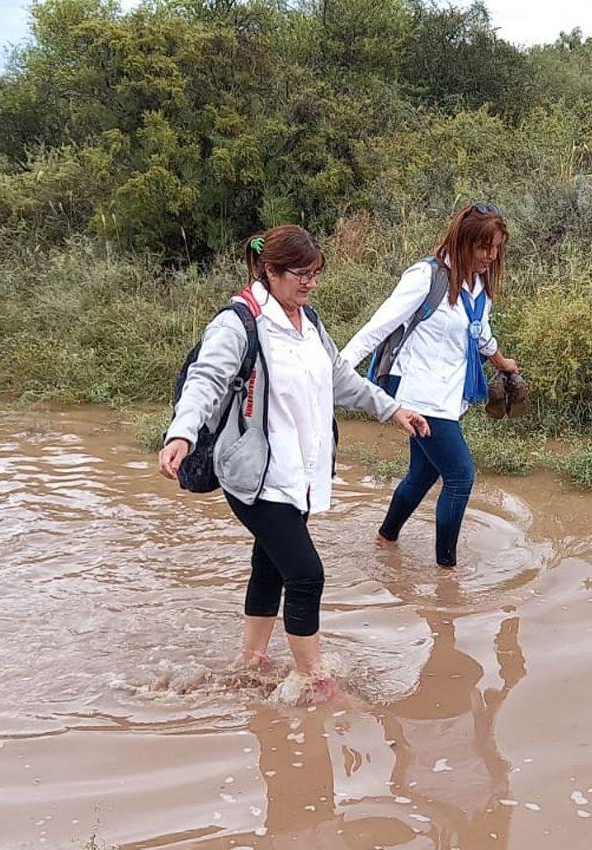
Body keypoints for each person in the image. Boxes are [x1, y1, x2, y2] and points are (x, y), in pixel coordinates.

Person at [158, 225, 428, 698]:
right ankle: (312, 678)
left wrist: (392, 409)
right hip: (255, 476)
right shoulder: (240, 322)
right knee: (306, 574)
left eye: (315, 274)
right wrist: (181, 432)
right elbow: (206, 381)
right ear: (271, 271)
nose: (309, 283)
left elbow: (340, 378)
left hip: (299, 474)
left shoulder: (309, 322)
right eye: (300, 275)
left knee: (271, 564)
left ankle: (250, 660)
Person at [341, 204, 521, 568]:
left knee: (423, 473)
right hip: (419, 395)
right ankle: (447, 572)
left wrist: (502, 362)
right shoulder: (426, 277)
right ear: (464, 241)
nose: (491, 256)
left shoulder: (478, 284)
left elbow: (478, 332)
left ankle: (385, 538)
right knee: (460, 475)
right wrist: (336, 370)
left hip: (448, 395)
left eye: (497, 247)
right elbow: (377, 327)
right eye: (484, 247)